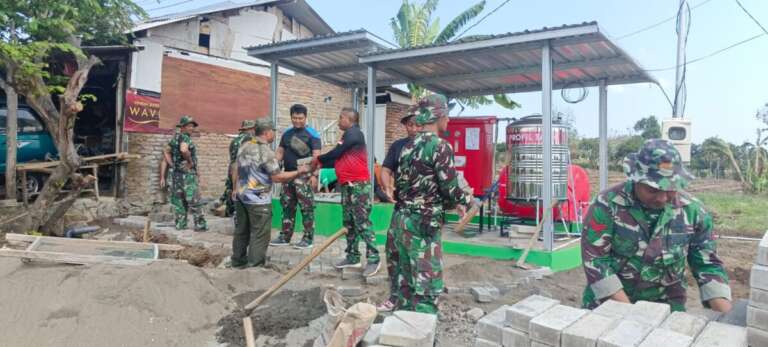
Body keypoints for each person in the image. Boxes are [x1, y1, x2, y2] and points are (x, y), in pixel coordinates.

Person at [581, 139, 732, 313]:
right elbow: (596, 262)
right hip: (609, 307)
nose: (661, 198)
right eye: (652, 190)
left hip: (666, 309)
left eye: (670, 189)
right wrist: (631, 315)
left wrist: (727, 317)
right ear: (636, 179)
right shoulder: (607, 206)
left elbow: (707, 265)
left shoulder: (693, 212)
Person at [390, 95, 472, 314]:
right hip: (424, 223)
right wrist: (466, 200)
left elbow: (410, 185)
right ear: (440, 116)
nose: (449, 121)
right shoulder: (440, 146)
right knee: (427, 282)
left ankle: (404, 329)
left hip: (403, 221)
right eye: (447, 115)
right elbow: (450, 188)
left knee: (406, 280)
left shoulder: (408, 146)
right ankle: (423, 330)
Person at [231, 118, 309, 268]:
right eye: (273, 131)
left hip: (241, 197)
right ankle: (254, 267)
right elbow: (277, 177)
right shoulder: (265, 152)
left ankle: (237, 262)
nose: (274, 134)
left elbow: (235, 167)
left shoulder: (245, 145)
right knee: (259, 234)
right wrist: (298, 172)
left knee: (241, 231)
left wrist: (235, 188)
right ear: (267, 132)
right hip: (258, 201)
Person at [316, 107, 380, 277]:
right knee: (349, 223)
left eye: (340, 117)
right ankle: (352, 257)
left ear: (348, 119)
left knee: (362, 222)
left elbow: (336, 152)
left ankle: (374, 259)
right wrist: (320, 164)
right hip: (347, 185)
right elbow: (337, 158)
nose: (338, 121)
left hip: (359, 186)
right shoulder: (347, 136)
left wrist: (317, 160)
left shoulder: (355, 133)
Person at [377, 113, 421, 312]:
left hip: (422, 213)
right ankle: (395, 296)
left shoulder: (432, 147)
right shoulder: (398, 146)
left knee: (417, 257)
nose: (413, 129)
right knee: (393, 252)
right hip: (400, 209)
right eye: (409, 125)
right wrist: (387, 187)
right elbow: (386, 169)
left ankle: (417, 300)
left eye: (417, 125)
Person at [271, 104, 321, 249]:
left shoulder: (313, 134)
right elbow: (280, 152)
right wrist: (274, 164)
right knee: (287, 206)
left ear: (305, 117)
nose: (297, 121)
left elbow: (317, 157)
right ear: (291, 117)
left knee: (307, 208)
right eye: (294, 118)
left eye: (300, 118)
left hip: (304, 177)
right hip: (288, 175)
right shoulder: (286, 134)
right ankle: (285, 236)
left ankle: (308, 239)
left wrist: (314, 176)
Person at [167, 116, 207, 231]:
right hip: (187, 175)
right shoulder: (185, 138)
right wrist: (189, 162)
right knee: (194, 200)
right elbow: (184, 150)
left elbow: (166, 151)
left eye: (192, 126)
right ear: (183, 127)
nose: (192, 128)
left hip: (176, 175)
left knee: (179, 201)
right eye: (189, 126)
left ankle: (181, 224)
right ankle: (200, 225)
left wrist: (172, 164)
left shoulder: (175, 138)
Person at [216, 120, 256, 217]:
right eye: (253, 128)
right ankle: (240, 215)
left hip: (232, 168)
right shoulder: (251, 140)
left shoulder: (234, 140)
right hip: (244, 170)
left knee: (231, 189)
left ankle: (229, 211)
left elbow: (232, 158)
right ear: (250, 129)